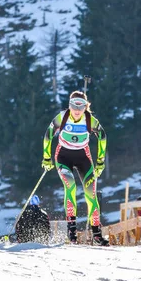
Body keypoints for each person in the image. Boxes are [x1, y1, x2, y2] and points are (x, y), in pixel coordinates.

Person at [42, 90, 109, 246]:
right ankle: (71, 233)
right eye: (74, 105)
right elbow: (48, 135)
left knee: (90, 195)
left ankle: (97, 235)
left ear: (86, 107)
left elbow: (103, 137)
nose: (77, 110)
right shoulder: (62, 117)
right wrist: (46, 157)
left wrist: (100, 161)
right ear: (69, 105)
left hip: (83, 158)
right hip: (63, 158)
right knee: (70, 187)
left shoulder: (89, 120)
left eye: (81, 106)